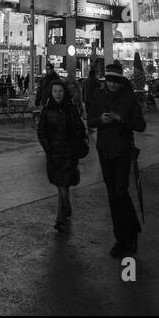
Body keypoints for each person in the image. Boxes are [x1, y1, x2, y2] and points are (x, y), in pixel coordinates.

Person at [88, 61, 146, 258]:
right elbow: (90, 119)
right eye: (109, 81)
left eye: (115, 81)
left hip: (122, 151)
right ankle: (122, 238)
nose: (111, 85)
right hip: (104, 150)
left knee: (120, 192)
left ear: (120, 81)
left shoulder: (129, 98)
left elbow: (140, 125)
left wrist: (122, 119)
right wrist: (101, 120)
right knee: (113, 195)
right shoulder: (99, 95)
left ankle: (129, 234)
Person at [37, 79, 88, 231]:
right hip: (54, 153)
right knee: (60, 183)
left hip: (69, 152)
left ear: (64, 92)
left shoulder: (71, 109)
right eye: (55, 91)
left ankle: (60, 218)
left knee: (64, 183)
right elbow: (41, 131)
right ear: (51, 93)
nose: (57, 94)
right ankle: (66, 206)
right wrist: (48, 147)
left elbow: (79, 128)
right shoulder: (46, 110)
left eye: (60, 91)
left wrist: (76, 144)